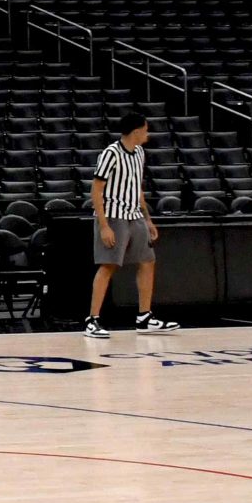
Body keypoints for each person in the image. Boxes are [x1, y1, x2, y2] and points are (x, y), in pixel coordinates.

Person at [86, 110, 177, 337]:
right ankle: (92, 320)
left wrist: (148, 219)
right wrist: (104, 225)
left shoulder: (139, 153)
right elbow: (96, 190)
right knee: (108, 265)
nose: (148, 134)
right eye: (145, 130)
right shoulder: (111, 154)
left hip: (134, 215)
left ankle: (144, 317)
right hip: (113, 215)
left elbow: (137, 188)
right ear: (136, 132)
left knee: (148, 261)